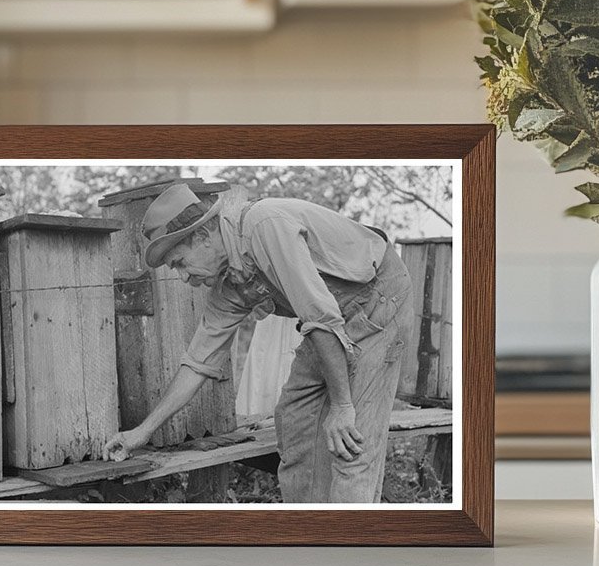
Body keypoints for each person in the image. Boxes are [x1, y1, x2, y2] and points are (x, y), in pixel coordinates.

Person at [104, 182, 415, 504]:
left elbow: (320, 320)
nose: (183, 277)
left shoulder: (264, 227)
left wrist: (341, 406)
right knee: (295, 424)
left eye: (180, 262)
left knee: (352, 444)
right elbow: (197, 364)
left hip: (377, 302)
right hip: (328, 322)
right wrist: (142, 432)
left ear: (202, 236)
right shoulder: (229, 286)